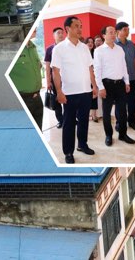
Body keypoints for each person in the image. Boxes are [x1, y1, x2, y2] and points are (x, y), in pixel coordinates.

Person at [51, 16, 97, 164]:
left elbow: (90, 68)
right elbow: (55, 72)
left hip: (85, 91)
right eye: (76, 26)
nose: (80, 29)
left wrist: (94, 86)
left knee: (84, 121)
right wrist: (59, 92)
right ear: (67, 29)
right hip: (69, 93)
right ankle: (68, 152)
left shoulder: (84, 48)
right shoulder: (59, 49)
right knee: (69, 123)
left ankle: (82, 145)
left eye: (81, 26)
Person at [94, 25, 135, 147]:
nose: (113, 34)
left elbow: (124, 67)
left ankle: (123, 134)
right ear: (104, 35)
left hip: (120, 84)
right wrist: (100, 87)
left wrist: (127, 82)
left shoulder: (119, 49)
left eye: (114, 32)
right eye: (110, 32)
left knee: (122, 111)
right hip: (107, 85)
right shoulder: (99, 51)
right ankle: (108, 135)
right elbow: (97, 70)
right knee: (106, 113)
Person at [10, 30, 44, 127]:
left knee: (38, 127)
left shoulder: (33, 47)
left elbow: (38, 66)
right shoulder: (15, 49)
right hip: (23, 97)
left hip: (37, 96)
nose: (36, 29)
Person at [115, 22, 135, 132]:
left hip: (132, 78)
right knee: (120, 103)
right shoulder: (114, 45)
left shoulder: (131, 44)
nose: (127, 31)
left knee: (132, 102)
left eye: (128, 29)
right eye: (125, 29)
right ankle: (119, 123)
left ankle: (132, 121)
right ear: (118, 31)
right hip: (120, 80)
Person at [44, 26, 66, 128]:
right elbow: (48, 67)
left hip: (67, 79)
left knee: (68, 100)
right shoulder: (49, 49)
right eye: (58, 33)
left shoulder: (68, 47)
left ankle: (69, 119)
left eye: (62, 33)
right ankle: (61, 120)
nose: (61, 35)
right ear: (54, 36)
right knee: (57, 101)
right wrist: (48, 82)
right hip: (55, 79)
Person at [85, 37, 100, 122]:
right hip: (86, 78)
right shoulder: (83, 53)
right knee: (86, 97)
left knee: (94, 96)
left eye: (91, 42)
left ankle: (94, 115)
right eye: (88, 42)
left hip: (95, 78)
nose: (90, 44)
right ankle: (86, 115)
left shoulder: (95, 53)